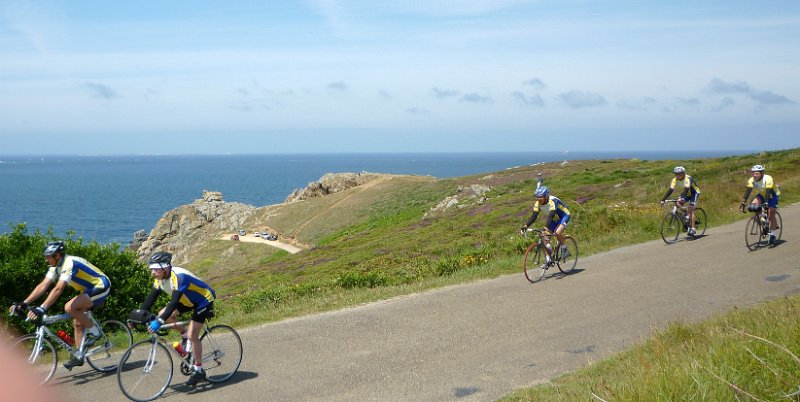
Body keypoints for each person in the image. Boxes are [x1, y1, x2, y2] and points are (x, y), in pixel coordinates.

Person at [8, 241, 111, 370]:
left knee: (69, 307)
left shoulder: (69, 263)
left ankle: (95, 333)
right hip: (87, 290)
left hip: (101, 286)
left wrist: (42, 308)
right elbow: (43, 285)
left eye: (48, 257)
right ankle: (79, 355)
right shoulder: (55, 266)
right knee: (78, 322)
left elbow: (58, 289)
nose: (46, 260)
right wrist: (24, 303)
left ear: (57, 256)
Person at [139, 251, 216, 387]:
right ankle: (184, 335)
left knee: (193, 335)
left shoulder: (179, 277)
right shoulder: (160, 279)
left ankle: (199, 370)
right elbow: (151, 298)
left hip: (203, 300)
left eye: (155, 269)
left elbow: (173, 303)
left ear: (165, 268)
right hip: (187, 301)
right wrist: (138, 314)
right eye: (152, 269)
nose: (153, 273)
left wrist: (159, 321)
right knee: (163, 313)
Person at [520, 186, 572, 268]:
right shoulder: (537, 203)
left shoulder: (552, 201)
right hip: (555, 218)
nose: (539, 200)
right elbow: (534, 216)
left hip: (564, 216)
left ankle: (564, 248)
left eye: (541, 198)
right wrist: (526, 226)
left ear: (546, 196)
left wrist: (546, 227)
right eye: (537, 198)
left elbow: (551, 215)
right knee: (544, 236)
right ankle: (548, 259)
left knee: (558, 232)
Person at [740, 164, 781, 245]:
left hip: (772, 195)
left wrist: (766, 203)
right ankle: (763, 220)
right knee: (753, 206)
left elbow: (768, 192)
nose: (755, 175)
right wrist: (743, 203)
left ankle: (773, 234)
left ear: (762, 173)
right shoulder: (751, 180)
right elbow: (748, 191)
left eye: (757, 173)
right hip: (762, 194)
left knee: (771, 213)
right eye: (753, 173)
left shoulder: (768, 178)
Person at [660, 166, 702, 236]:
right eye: (676, 174)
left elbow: (686, 188)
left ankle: (693, 229)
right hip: (687, 193)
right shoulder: (675, 179)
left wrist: (682, 197)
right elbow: (670, 190)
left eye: (680, 174)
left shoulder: (688, 178)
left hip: (694, 193)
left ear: (683, 173)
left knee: (691, 209)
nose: (678, 175)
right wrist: (663, 199)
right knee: (677, 204)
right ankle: (687, 216)